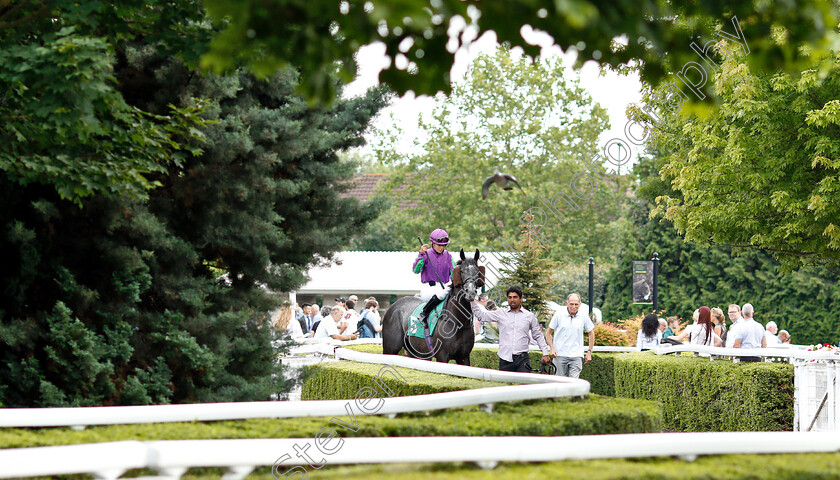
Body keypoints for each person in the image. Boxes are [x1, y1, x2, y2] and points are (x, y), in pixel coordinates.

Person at [470, 285, 551, 372]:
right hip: (505, 360)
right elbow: (482, 316)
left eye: (515, 297)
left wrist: (545, 353)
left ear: (521, 298)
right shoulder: (501, 313)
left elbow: (538, 335)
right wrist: (471, 300)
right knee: (505, 385)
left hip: (523, 360)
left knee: (524, 385)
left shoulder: (529, 316)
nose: (512, 300)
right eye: (510, 297)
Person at [412, 228, 456, 329]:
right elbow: (416, 270)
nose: (442, 247)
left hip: (444, 287)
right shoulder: (425, 254)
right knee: (441, 294)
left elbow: (453, 273)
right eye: (439, 245)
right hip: (429, 288)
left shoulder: (448, 256)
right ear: (433, 243)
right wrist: (421, 254)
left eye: (444, 245)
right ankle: (423, 314)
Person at [546, 293, 595, 378]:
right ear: (567, 303)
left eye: (576, 304)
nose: (573, 306)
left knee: (574, 384)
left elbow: (591, 333)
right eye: (571, 304)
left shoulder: (584, 316)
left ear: (580, 304)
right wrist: (552, 348)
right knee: (560, 383)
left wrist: (589, 351)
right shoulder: (558, 315)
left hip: (576, 355)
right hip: (560, 354)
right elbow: (548, 333)